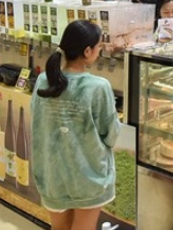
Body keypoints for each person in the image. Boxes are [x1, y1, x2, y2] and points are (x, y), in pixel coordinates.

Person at [31, 21, 121, 230]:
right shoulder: (98, 87)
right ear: (87, 51)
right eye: (99, 46)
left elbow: (37, 122)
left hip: (52, 174)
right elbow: (111, 134)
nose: (100, 50)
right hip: (88, 176)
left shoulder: (43, 80)